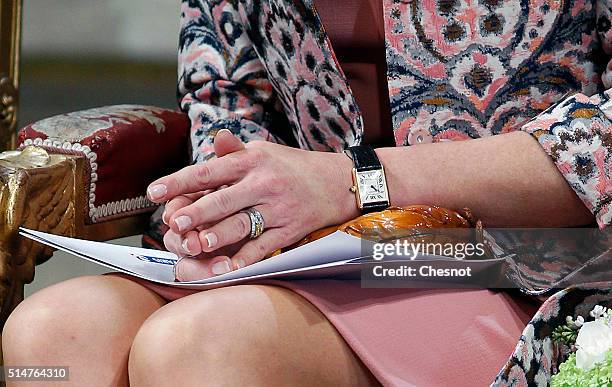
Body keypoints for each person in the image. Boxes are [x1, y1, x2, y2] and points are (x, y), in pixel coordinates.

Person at [3, 0, 610, 385]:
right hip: (317, 251)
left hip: (527, 263)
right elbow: (224, 99)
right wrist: (218, 218)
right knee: (53, 334)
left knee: (200, 347)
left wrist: (355, 181)